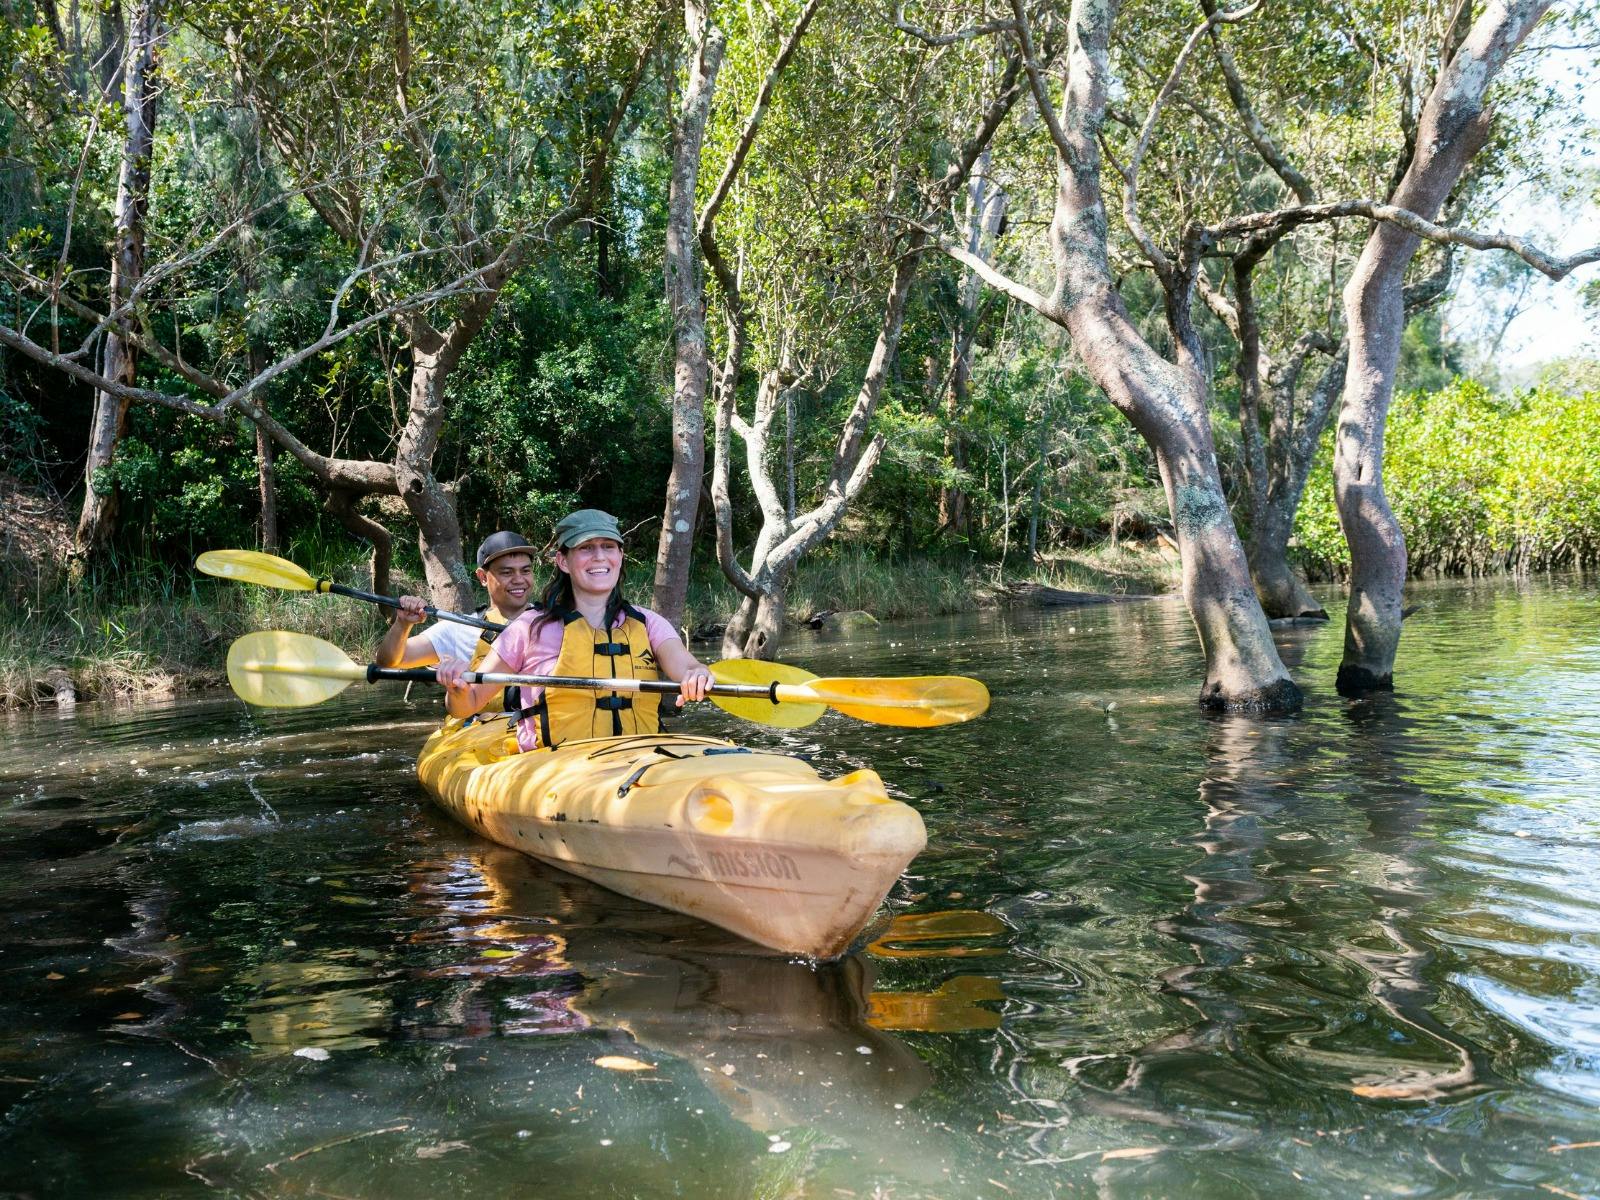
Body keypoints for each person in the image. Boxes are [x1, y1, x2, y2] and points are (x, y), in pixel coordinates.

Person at [439, 509, 713, 749]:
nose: (598, 556)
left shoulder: (648, 623)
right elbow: (468, 704)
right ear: (563, 561)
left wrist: (698, 675)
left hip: (638, 757)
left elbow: (687, 667)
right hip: (557, 768)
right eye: (585, 548)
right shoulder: (529, 628)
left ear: (620, 555)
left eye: (608, 546)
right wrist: (458, 689)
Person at [376, 530, 538, 720]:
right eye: (507, 572)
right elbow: (388, 662)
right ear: (483, 577)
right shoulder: (459, 629)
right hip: (483, 735)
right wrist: (402, 624)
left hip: (542, 730)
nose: (519, 579)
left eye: (525, 570)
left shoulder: (552, 623)